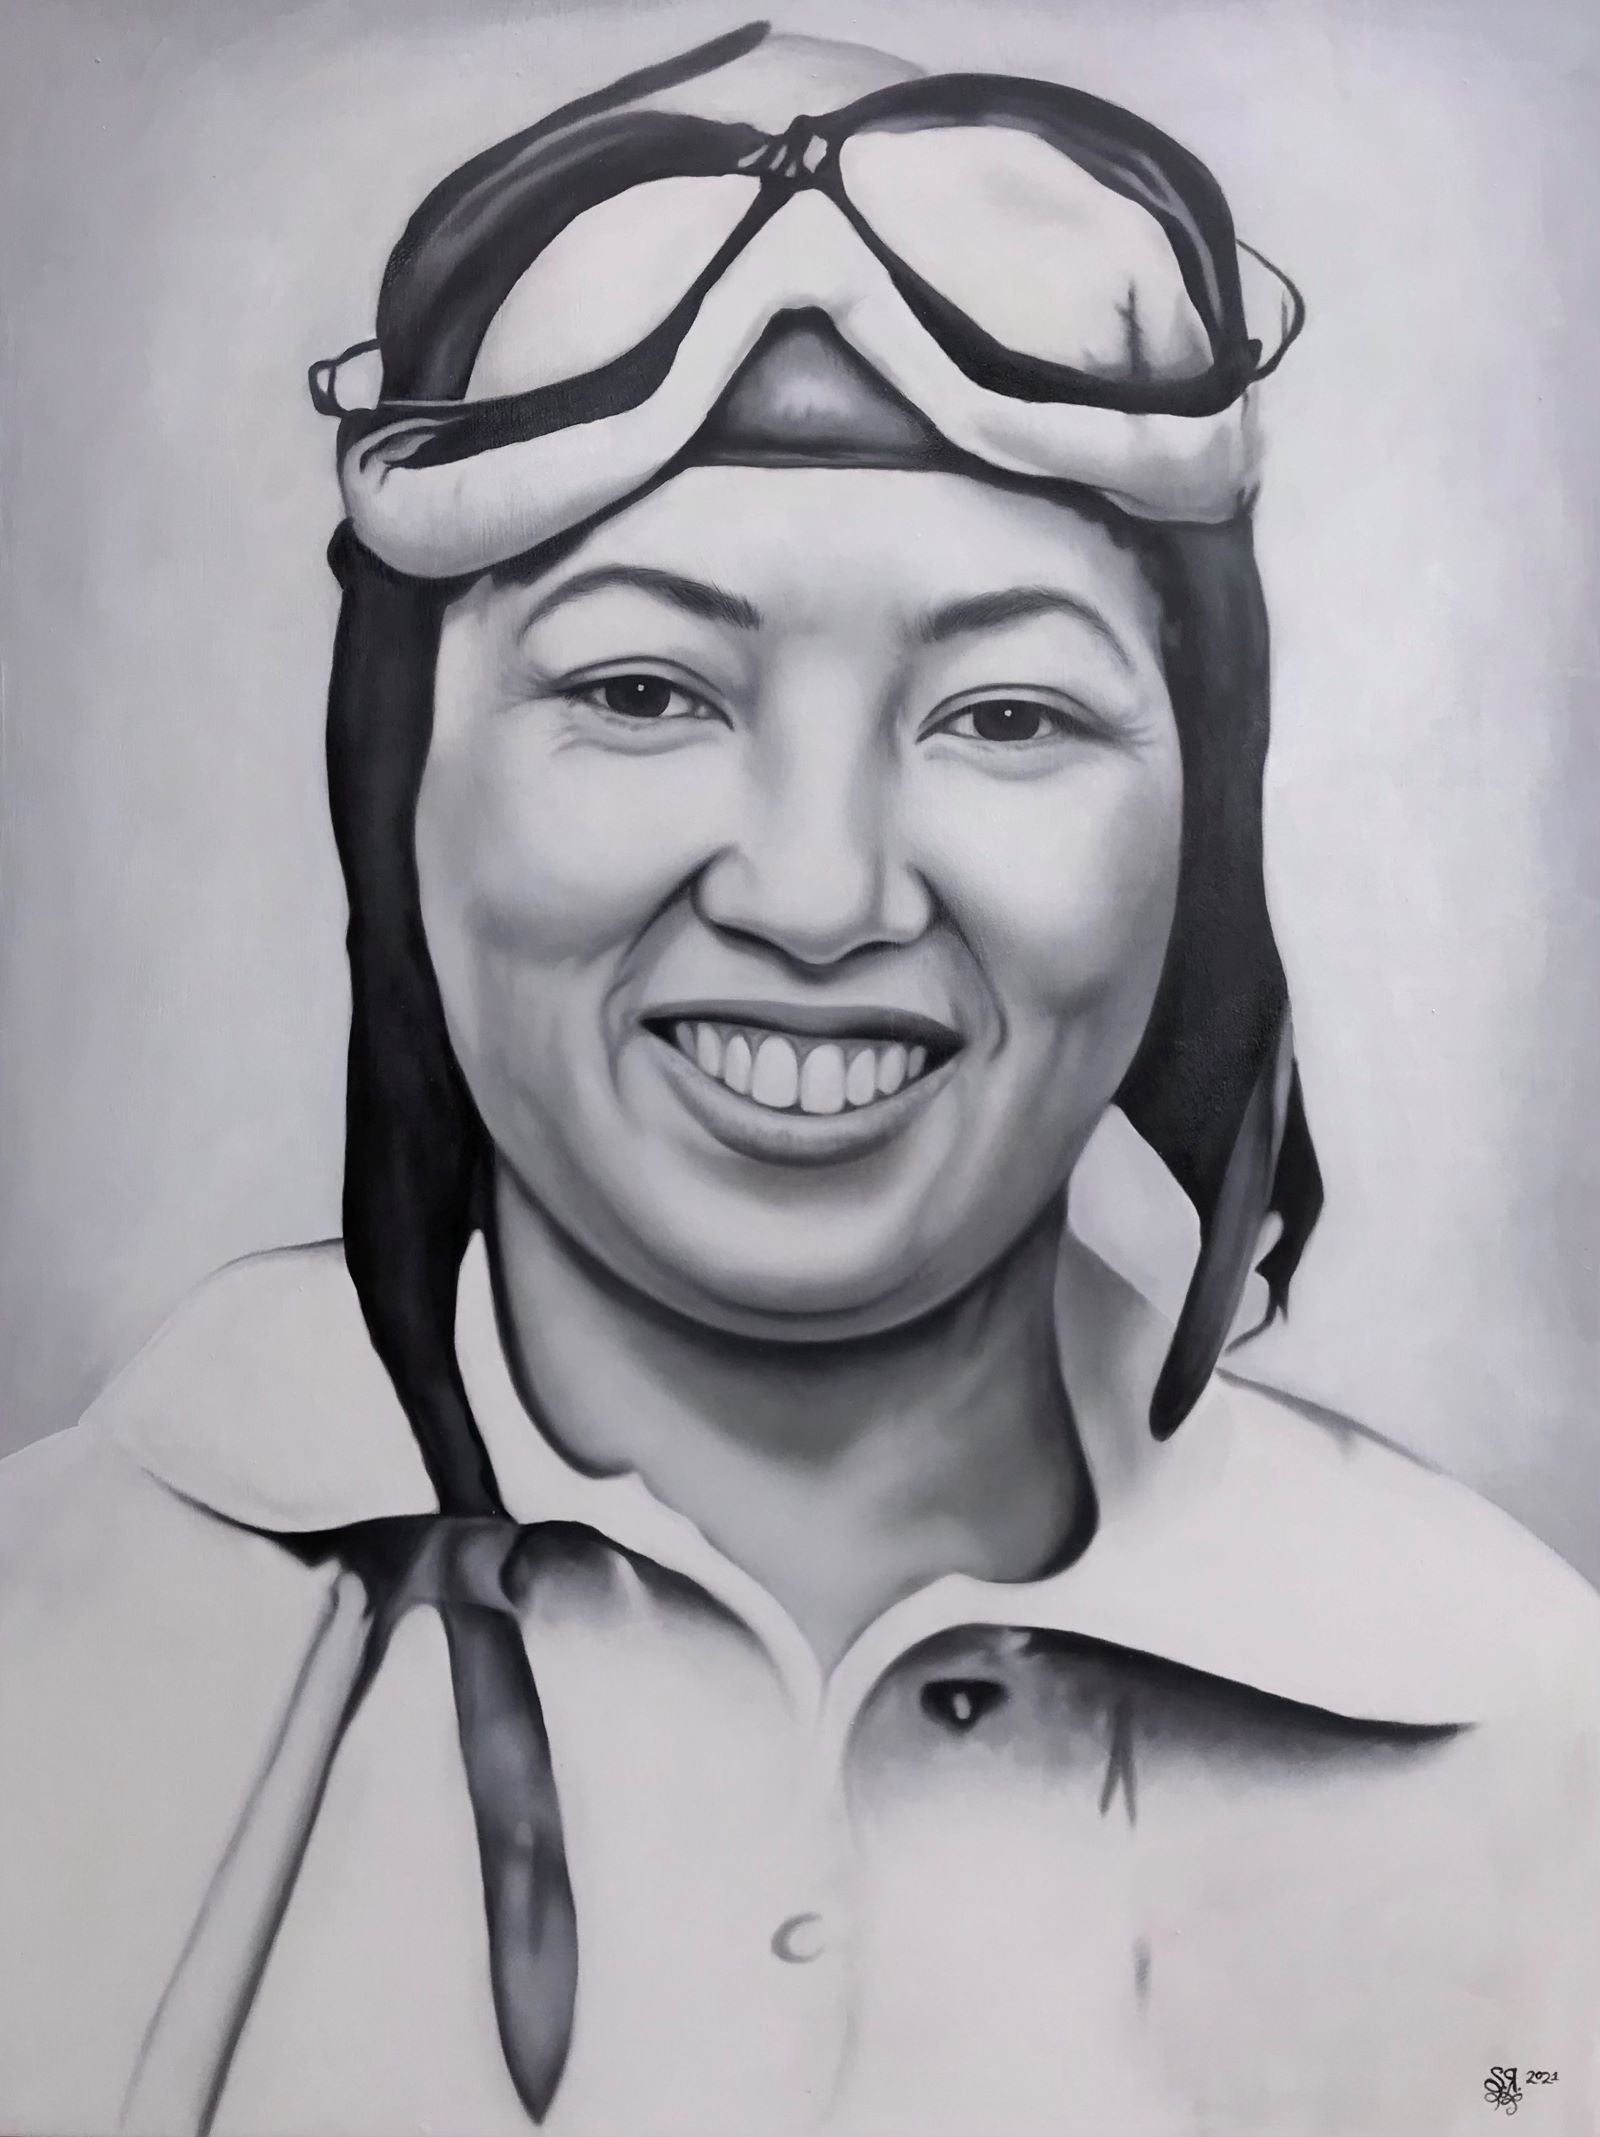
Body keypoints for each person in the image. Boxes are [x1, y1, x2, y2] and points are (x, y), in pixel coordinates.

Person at [1, 22, 1596, 2137]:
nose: (819, 895)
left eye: (1005, 714)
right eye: (643, 687)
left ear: (1201, 829)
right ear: (398, 784)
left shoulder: (1534, 1747)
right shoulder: (50, 1678)